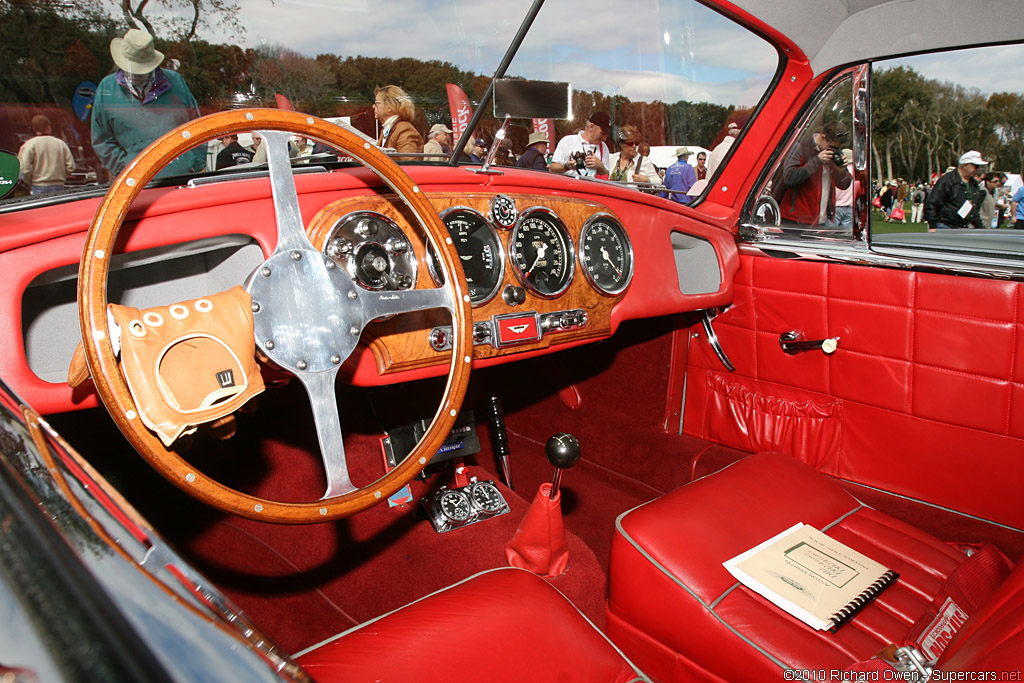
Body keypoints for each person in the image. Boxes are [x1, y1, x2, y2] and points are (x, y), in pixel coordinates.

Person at [91, 29, 205, 178]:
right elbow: (102, 138)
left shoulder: (176, 82)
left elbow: (198, 126)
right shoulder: (107, 88)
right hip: (133, 184)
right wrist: (124, 168)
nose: (136, 73)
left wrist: (195, 163)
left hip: (182, 180)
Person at [776, 120, 852, 226]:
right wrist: (817, 161)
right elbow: (789, 178)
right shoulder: (801, 147)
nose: (833, 150)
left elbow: (844, 185)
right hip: (795, 220)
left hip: (822, 221)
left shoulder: (834, 152)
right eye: (831, 147)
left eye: (836, 148)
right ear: (822, 137)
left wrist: (841, 170)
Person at [923, 151, 987, 230]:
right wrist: (932, 225)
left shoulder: (973, 184)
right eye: (976, 166)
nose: (977, 169)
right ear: (966, 165)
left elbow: (974, 208)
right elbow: (932, 203)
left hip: (963, 227)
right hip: (945, 226)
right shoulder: (947, 180)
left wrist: (980, 227)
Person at [17, 114, 75, 194]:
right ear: (48, 126)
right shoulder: (60, 144)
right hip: (59, 185)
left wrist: (30, 181)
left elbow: (23, 168)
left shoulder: (29, 145)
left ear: (34, 128)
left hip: (38, 185)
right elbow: (70, 166)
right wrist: (61, 176)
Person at [550, 111, 610, 178]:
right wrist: (566, 166)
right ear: (591, 126)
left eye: (607, 135)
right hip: (568, 186)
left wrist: (601, 167)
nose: (604, 138)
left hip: (590, 187)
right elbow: (552, 168)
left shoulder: (603, 147)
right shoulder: (567, 141)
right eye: (602, 133)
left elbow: (607, 175)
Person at [373, 85, 422, 156]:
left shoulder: (405, 130)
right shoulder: (389, 128)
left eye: (377, 103)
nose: (373, 106)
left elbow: (407, 164)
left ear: (390, 106)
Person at [831, 147, 855, 231]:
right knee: (846, 237)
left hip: (836, 206)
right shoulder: (855, 171)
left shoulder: (838, 170)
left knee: (830, 237)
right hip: (850, 206)